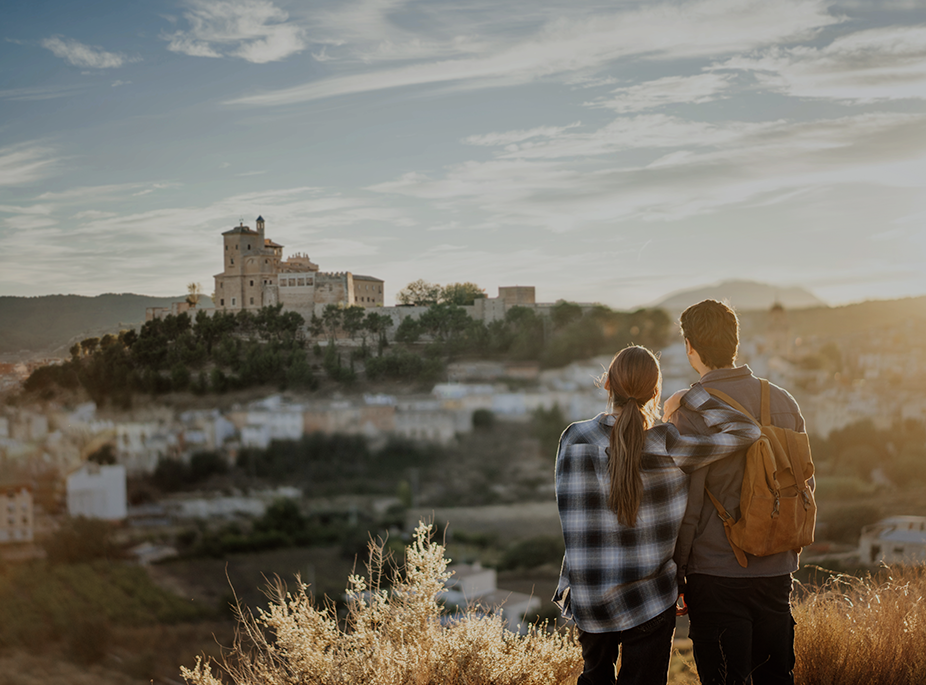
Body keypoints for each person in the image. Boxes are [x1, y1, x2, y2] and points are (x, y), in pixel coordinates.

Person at [554, 345, 761, 685]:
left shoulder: (573, 439)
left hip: (590, 598)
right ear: (655, 392)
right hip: (649, 600)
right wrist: (692, 396)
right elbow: (747, 431)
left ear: (607, 384)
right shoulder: (668, 444)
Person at [663, 300, 807, 685]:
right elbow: (802, 484)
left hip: (714, 572)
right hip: (776, 567)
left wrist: (677, 573)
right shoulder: (783, 401)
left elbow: (683, 502)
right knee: (776, 677)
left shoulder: (688, 411)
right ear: (735, 342)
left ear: (690, 347)